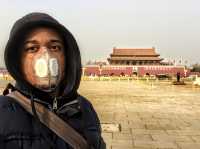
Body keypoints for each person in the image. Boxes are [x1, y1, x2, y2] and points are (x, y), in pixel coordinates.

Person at [0, 12, 105, 149]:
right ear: (17, 60)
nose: (46, 56)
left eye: (54, 47)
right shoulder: (3, 112)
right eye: (32, 48)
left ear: (67, 55)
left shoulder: (84, 108)